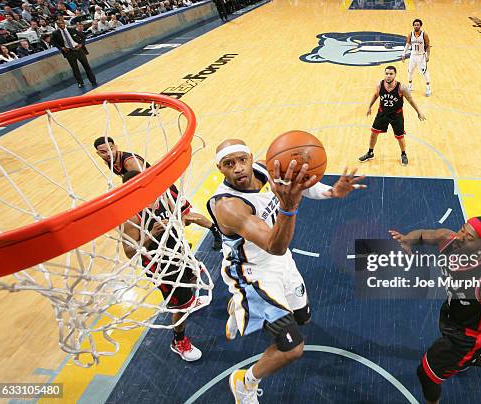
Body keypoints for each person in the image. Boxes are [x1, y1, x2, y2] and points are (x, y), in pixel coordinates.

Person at [207, 139, 366, 403]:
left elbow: (297, 186)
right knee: (292, 348)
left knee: (303, 316)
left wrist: (331, 192)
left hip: (280, 262)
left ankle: (238, 308)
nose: (238, 169)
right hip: (253, 273)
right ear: (219, 169)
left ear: (250, 158)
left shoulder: (262, 168)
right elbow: (274, 246)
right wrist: (288, 208)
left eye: (241, 160)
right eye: (228, 164)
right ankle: (244, 383)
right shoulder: (228, 206)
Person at [389, 217, 481, 404]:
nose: (459, 237)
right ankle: (473, 360)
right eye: (461, 230)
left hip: (468, 338)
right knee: (453, 337)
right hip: (456, 314)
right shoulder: (448, 238)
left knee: (426, 373)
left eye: (468, 238)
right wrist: (407, 240)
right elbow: (421, 235)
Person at [121, 170, 210, 361]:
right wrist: (151, 233)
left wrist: (181, 220)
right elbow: (129, 252)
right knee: (180, 306)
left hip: (179, 251)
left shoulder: (162, 197)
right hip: (160, 265)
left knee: (194, 276)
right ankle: (178, 341)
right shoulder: (130, 218)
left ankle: (190, 301)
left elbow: (181, 217)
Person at [93, 136, 223, 250]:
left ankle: (216, 230)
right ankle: (179, 243)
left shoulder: (130, 162)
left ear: (115, 146)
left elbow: (146, 183)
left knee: (185, 215)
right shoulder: (109, 161)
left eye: (111, 148)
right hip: (149, 194)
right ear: (98, 153)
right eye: (104, 152)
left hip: (162, 189)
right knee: (163, 221)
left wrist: (162, 200)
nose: (109, 153)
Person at [358, 65, 426, 165]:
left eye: (391, 74)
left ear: (395, 75)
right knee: (373, 134)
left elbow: (411, 100)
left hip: (396, 116)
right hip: (382, 114)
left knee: (400, 137)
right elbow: (375, 95)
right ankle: (370, 152)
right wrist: (369, 106)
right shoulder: (380, 85)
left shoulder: (401, 87)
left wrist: (419, 112)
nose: (388, 76)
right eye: (386, 74)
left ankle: (403, 154)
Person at [51, 18, 97, 88]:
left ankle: (93, 80)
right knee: (75, 68)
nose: (61, 25)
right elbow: (53, 42)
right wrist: (61, 48)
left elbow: (83, 36)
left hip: (78, 50)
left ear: (64, 23)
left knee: (86, 65)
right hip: (69, 52)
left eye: (62, 23)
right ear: (57, 25)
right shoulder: (55, 33)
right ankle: (80, 83)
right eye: (59, 24)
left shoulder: (71, 29)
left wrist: (81, 44)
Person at [403, 18, 432, 96]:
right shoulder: (410, 34)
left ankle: (428, 87)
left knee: (424, 72)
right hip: (413, 55)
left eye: (418, 25)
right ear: (413, 26)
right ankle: (410, 86)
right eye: (415, 25)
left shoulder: (424, 34)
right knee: (410, 71)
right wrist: (403, 53)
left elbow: (428, 46)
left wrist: (428, 56)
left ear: (420, 26)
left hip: (421, 56)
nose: (416, 26)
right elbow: (408, 44)